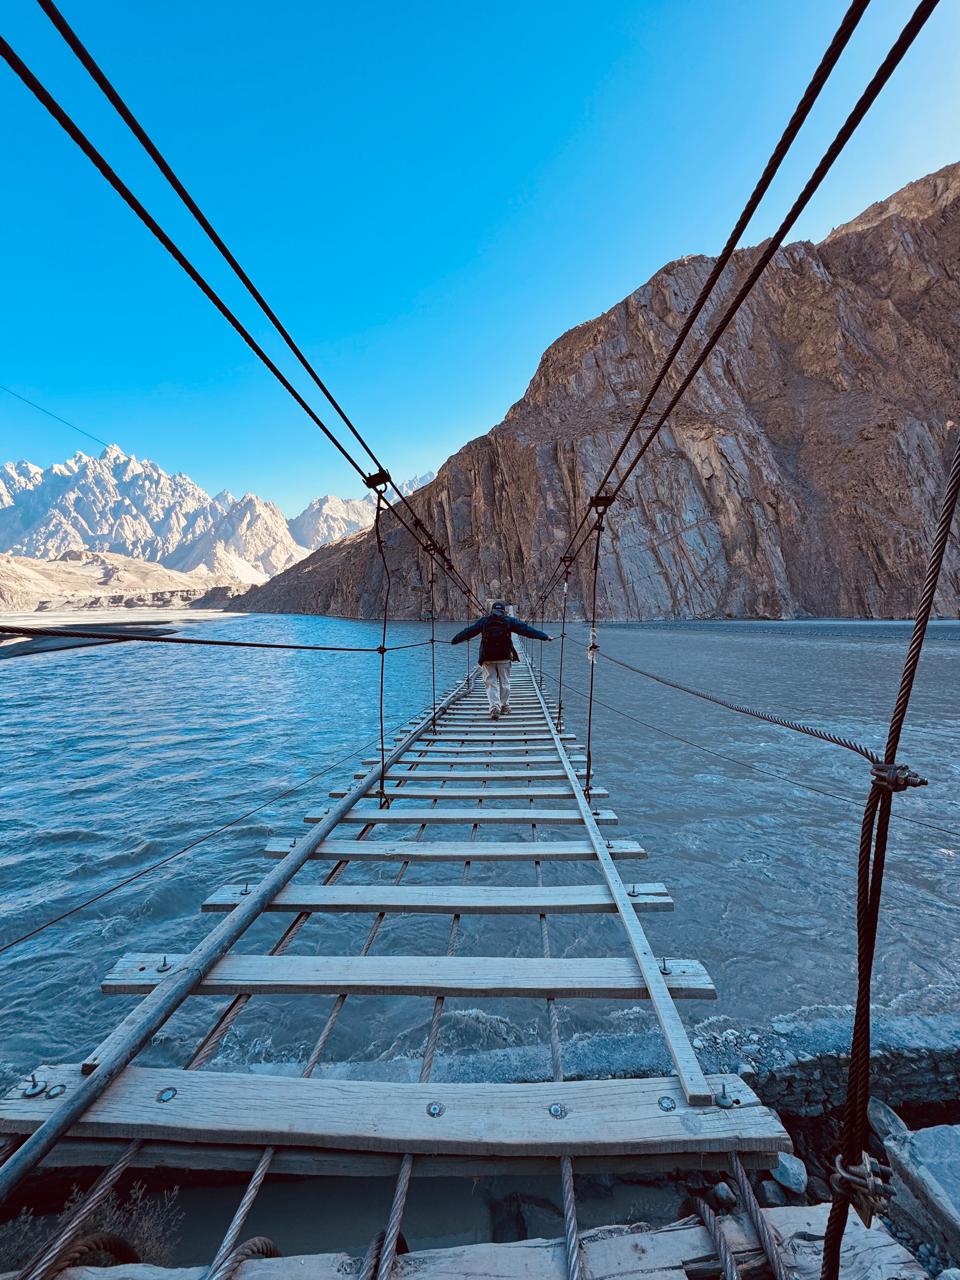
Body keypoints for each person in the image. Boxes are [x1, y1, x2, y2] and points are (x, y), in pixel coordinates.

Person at [450, 601, 552, 719]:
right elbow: (527, 630)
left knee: (491, 683)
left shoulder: (484, 621)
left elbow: (469, 632)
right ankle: (504, 706)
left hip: (487, 657)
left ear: (492, 611)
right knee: (505, 682)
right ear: (504, 611)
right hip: (504, 657)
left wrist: (455, 640)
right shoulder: (509, 621)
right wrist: (545, 636)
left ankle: (494, 708)